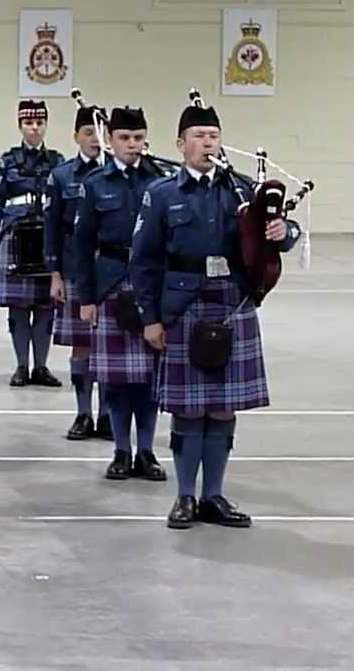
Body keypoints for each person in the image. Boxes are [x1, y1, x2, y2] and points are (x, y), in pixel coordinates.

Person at [130, 100, 302, 529]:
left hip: (232, 303)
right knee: (188, 410)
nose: (207, 143)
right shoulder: (162, 194)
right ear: (180, 144)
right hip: (183, 304)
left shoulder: (242, 190)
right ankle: (185, 496)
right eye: (198, 136)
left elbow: (282, 232)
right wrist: (150, 317)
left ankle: (214, 496)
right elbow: (144, 261)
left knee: (224, 408)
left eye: (213, 136)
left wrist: (283, 234)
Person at [73, 107, 166, 482]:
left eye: (138, 138)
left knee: (147, 378)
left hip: (150, 286)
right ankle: (120, 451)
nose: (132, 145)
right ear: (110, 140)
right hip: (110, 282)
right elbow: (81, 245)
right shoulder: (96, 184)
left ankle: (146, 450)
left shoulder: (160, 182)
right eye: (125, 138)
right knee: (115, 379)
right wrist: (86, 297)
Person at [0, 100, 64, 387]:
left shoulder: (57, 161)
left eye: (40, 122)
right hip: (15, 234)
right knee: (18, 307)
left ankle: (41, 366)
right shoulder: (7, 161)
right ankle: (21, 366)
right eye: (29, 123)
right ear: (20, 125)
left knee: (45, 306)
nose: (35, 128)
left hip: (47, 236)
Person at [45, 105, 111, 440]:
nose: (95, 140)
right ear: (76, 136)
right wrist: (54, 273)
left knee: (112, 347)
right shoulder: (61, 176)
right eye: (89, 133)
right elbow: (52, 227)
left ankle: (109, 415)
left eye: (101, 134)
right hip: (75, 270)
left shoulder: (118, 173)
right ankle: (84, 413)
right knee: (82, 345)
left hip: (113, 273)